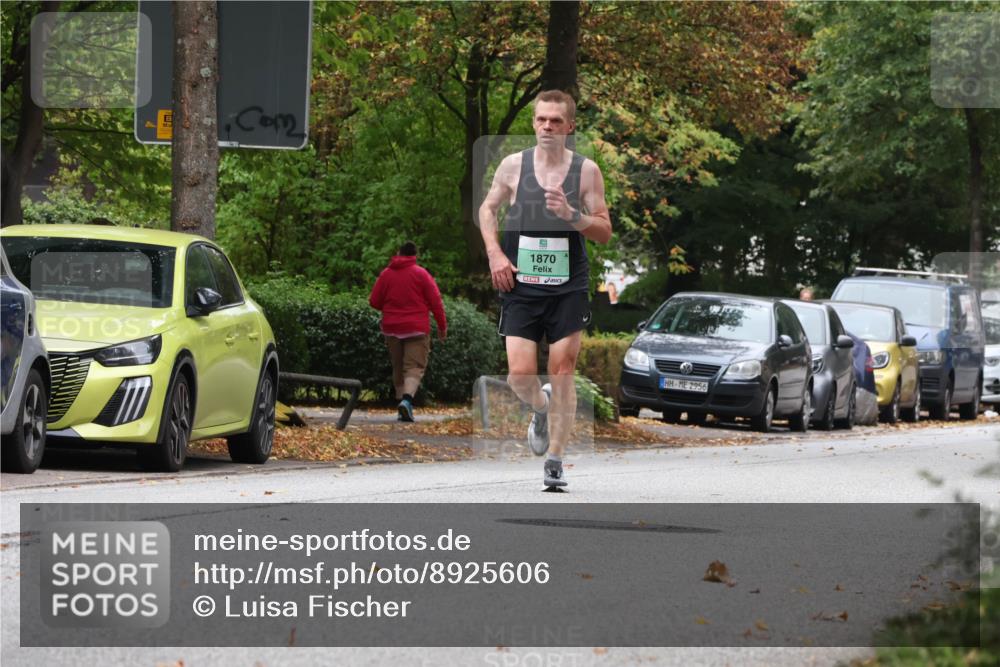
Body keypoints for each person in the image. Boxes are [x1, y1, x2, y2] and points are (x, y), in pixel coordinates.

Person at [478, 90, 612, 489]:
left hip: (568, 285)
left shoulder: (586, 172)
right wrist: (495, 254)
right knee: (520, 375)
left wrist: (572, 215)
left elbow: (604, 231)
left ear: (570, 127)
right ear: (533, 123)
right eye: (541, 120)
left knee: (563, 369)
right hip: (520, 281)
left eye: (556, 121)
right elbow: (488, 209)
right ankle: (541, 406)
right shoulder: (513, 166)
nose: (547, 127)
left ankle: (555, 458)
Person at [369, 242, 447, 422]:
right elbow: (436, 302)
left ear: (398, 253)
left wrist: (390, 306)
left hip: (392, 327)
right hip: (416, 328)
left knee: (398, 366)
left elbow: (374, 301)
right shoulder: (421, 274)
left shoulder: (386, 274)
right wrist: (442, 326)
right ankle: (406, 401)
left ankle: (401, 406)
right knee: (413, 367)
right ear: (415, 255)